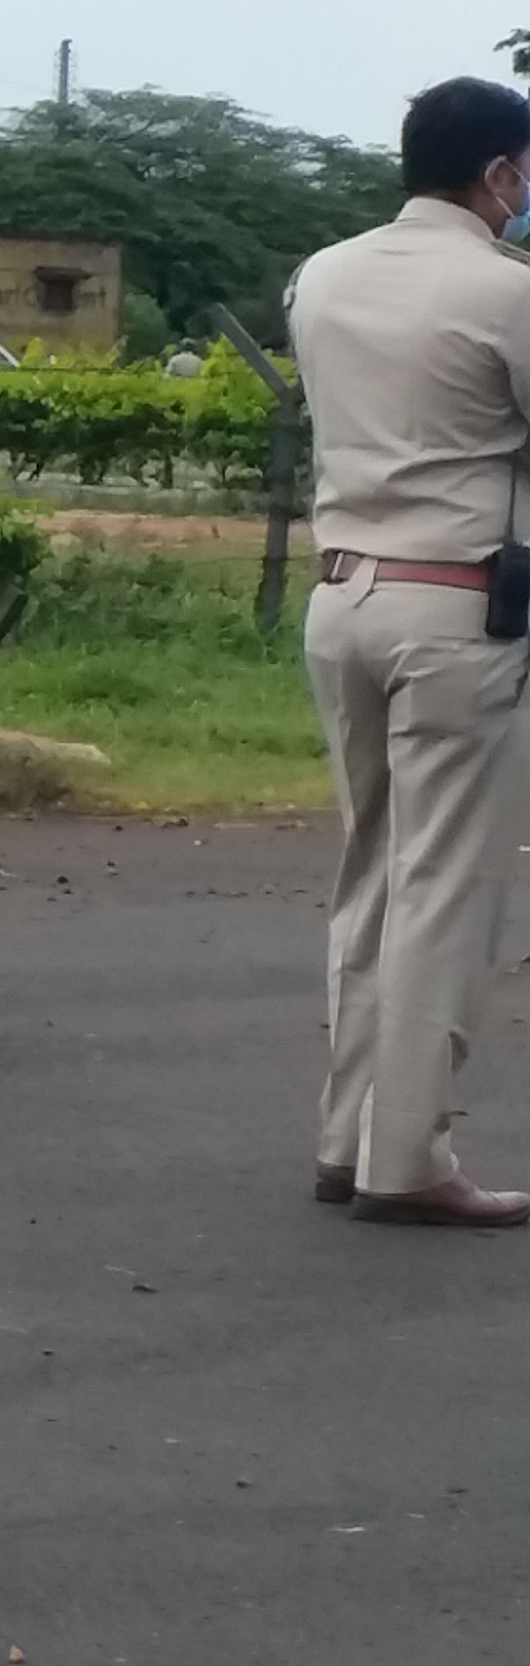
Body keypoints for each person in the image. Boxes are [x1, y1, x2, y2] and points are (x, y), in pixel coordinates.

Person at [283, 76, 530, 1228]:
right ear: (498, 174)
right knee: (445, 891)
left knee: (370, 878)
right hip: (457, 609)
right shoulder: (506, 290)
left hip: (344, 597)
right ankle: (409, 1156)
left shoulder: (323, 276)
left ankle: (347, 1140)